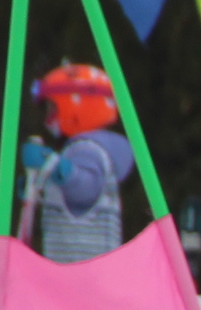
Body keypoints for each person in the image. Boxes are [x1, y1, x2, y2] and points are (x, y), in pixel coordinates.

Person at [20, 63, 135, 263]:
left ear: (76, 107)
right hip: (76, 267)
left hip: (87, 270)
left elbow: (85, 189)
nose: (48, 120)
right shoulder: (80, 150)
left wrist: (54, 166)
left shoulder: (89, 150)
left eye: (52, 109)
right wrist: (39, 186)